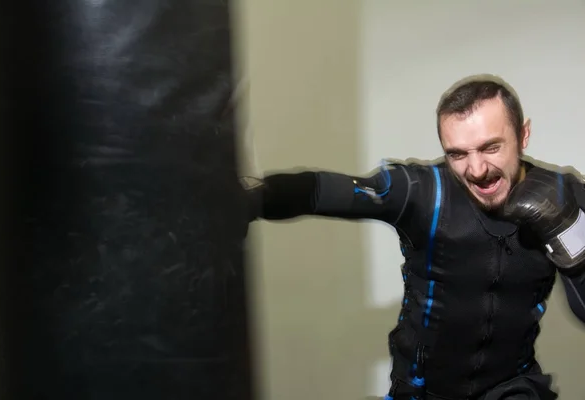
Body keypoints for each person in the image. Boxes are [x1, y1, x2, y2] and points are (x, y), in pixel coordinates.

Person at [241, 74, 585, 400]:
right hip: (422, 391)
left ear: (523, 135)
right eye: (458, 154)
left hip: (513, 388)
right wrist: (244, 200)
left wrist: (571, 236)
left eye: (491, 147)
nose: (477, 170)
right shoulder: (424, 192)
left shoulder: (566, 195)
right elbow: (328, 191)